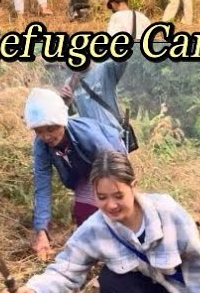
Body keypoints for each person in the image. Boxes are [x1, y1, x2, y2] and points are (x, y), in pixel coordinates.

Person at [4, 151, 200, 293]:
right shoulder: (94, 229)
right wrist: (34, 291)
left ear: (133, 186)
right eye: (102, 197)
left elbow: (196, 260)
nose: (111, 205)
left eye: (118, 195)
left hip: (184, 280)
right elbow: (66, 269)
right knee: (111, 281)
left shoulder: (167, 211)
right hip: (146, 284)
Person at [25, 88, 127, 261]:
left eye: (51, 129)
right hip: (80, 170)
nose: (46, 136)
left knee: (106, 206)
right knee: (83, 211)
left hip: (109, 162)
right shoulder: (41, 145)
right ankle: (92, 250)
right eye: (39, 131)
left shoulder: (89, 136)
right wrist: (41, 230)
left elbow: (115, 169)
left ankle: (118, 246)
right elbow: (42, 187)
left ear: (62, 122)